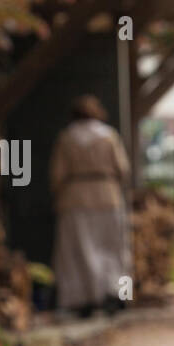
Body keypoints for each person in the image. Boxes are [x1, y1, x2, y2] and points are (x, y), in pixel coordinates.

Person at [49, 95, 132, 317]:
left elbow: (57, 174)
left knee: (79, 251)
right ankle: (118, 295)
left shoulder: (67, 138)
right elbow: (122, 168)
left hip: (75, 198)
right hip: (108, 196)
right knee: (113, 248)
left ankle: (82, 299)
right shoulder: (109, 136)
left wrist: (59, 193)